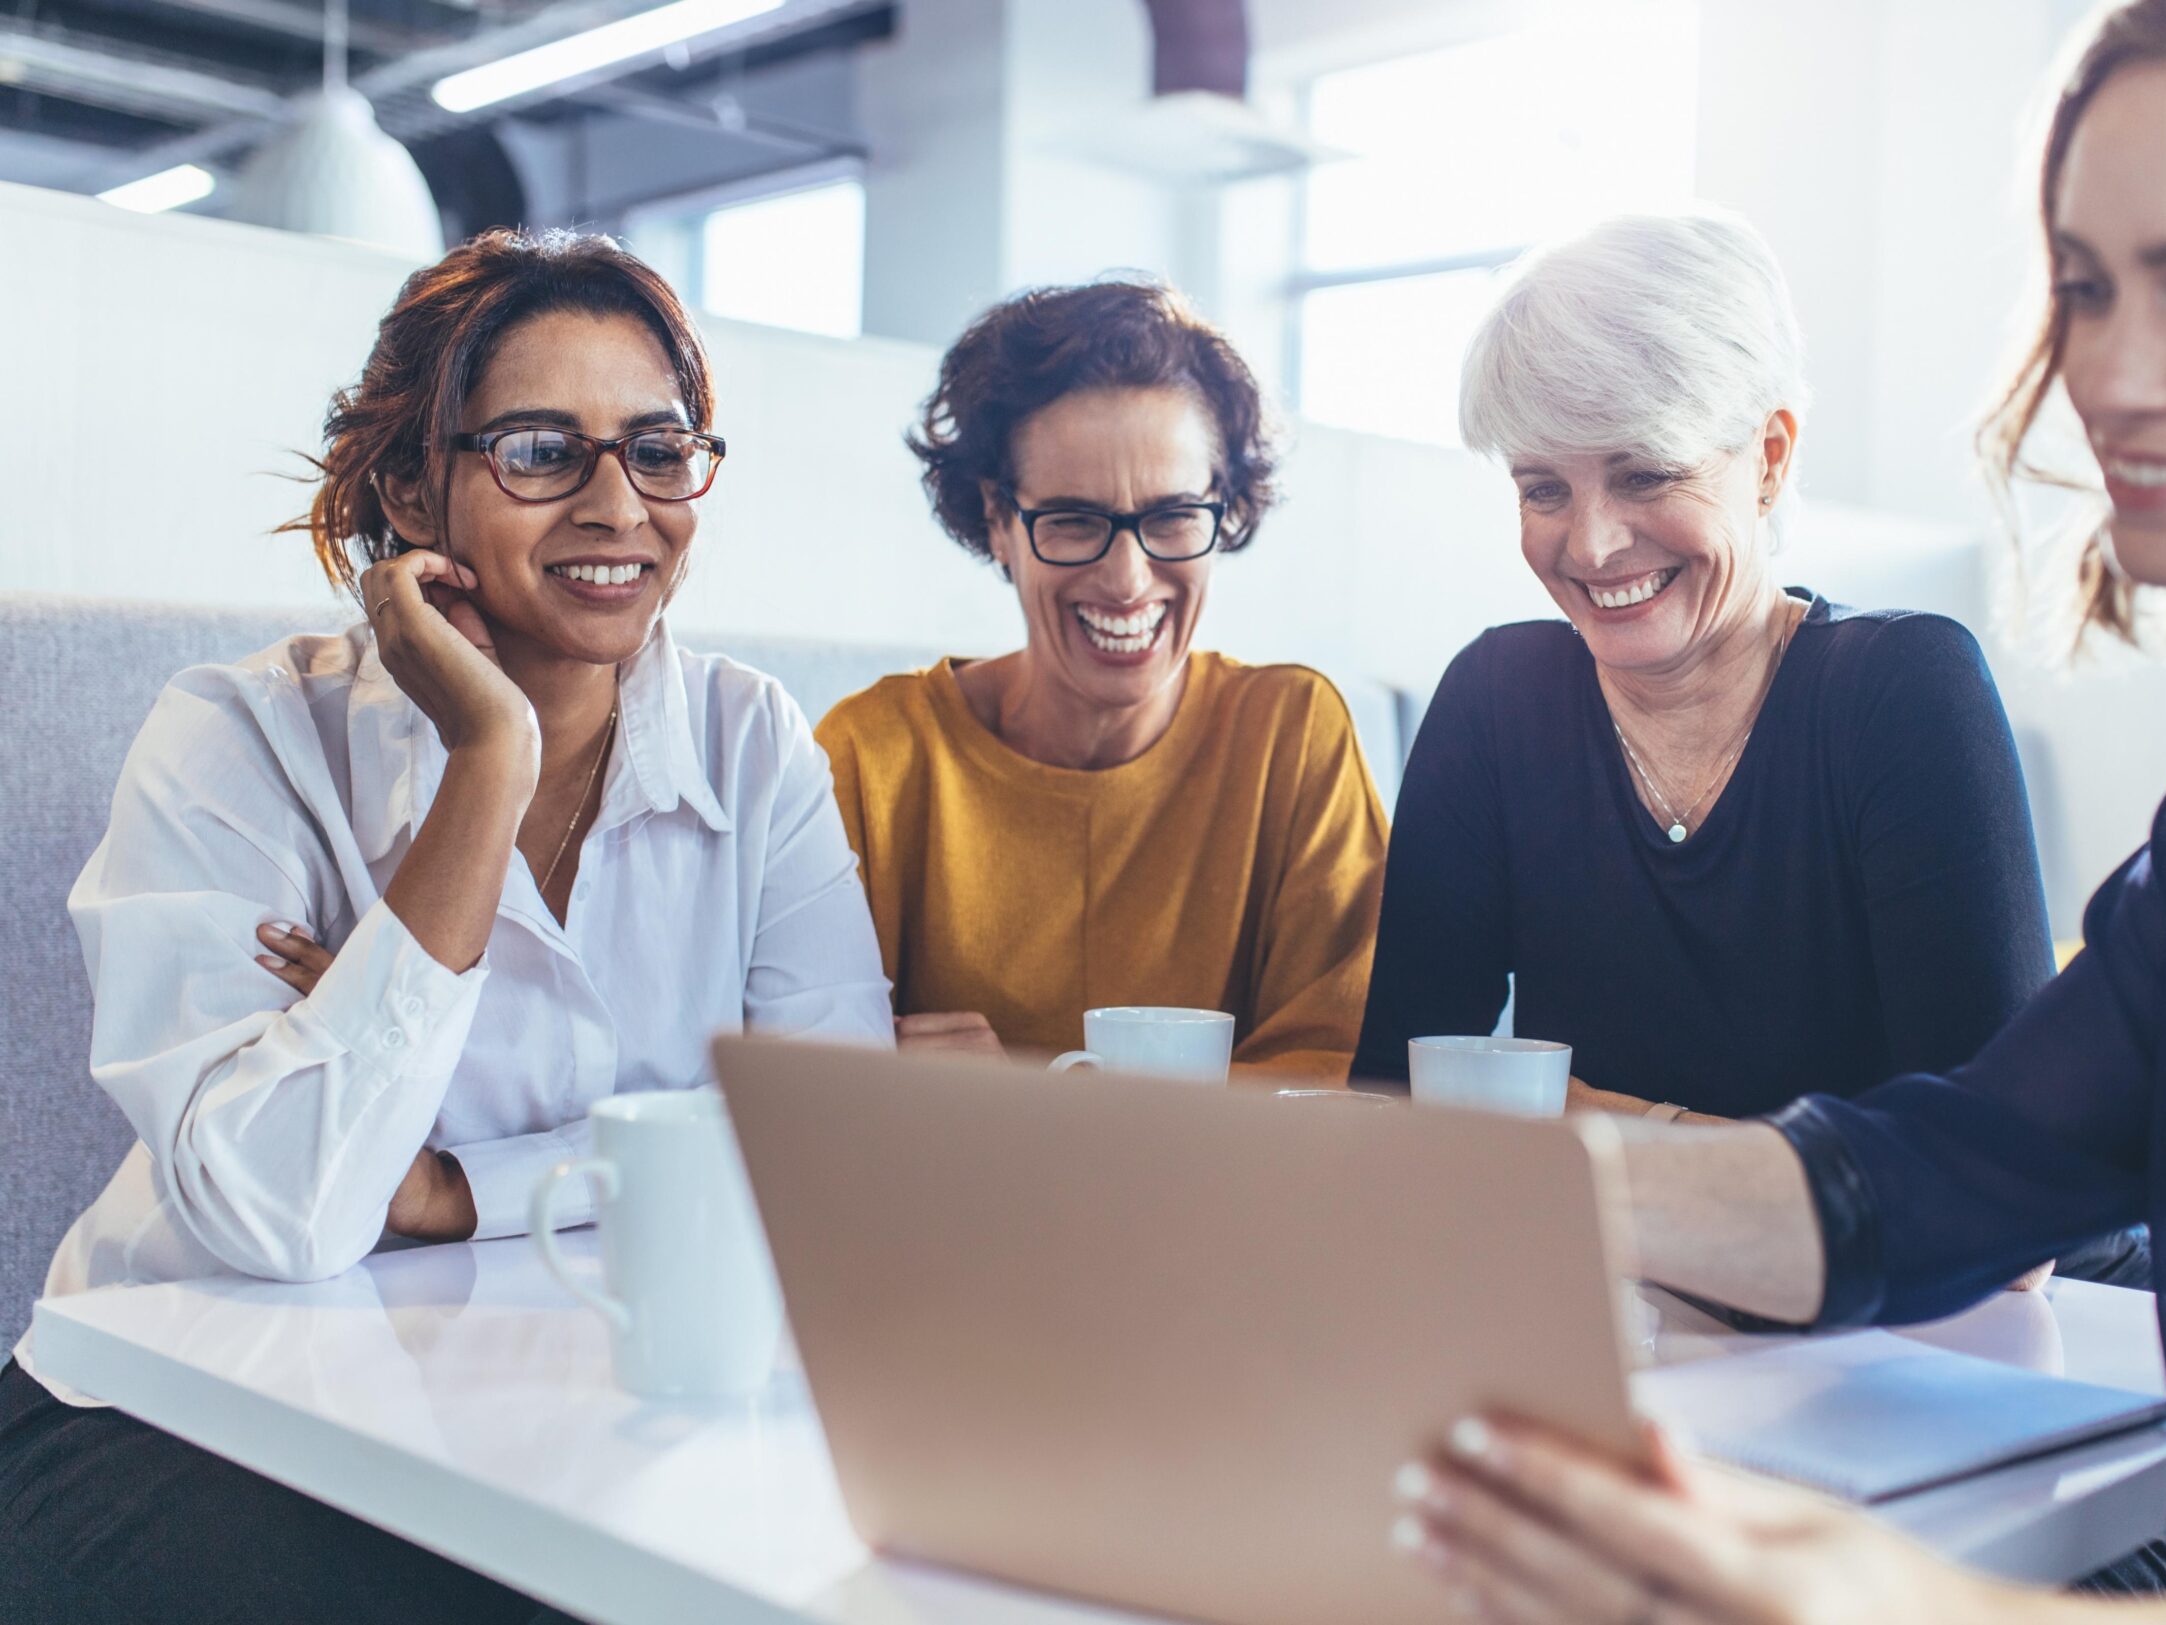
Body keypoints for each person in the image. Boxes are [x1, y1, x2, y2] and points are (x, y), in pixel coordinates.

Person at [1389, 0, 2166, 1619]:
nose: (2112, 376)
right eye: (2083, 290)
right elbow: (1951, 1169)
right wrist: (1456, 1199)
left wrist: (1924, 1606)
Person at [0, 229, 893, 1623]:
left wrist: (457, 1185)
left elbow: (834, 1148)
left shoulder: (750, 741)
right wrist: (489, 761)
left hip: (543, 1406)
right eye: (543, 449)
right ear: (415, 488)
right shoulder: (238, 740)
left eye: (658, 449)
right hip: (169, 1415)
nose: (619, 504)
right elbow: (287, 1211)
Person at [1350, 211, 2140, 1286]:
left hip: (1992, 1323)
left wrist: (1584, 1131)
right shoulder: (1496, 701)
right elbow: (1396, 1107)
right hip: (1662, 1301)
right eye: (1544, 488)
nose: (1588, 543)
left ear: (1767, 457)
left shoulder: (1902, 692)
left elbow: (1990, 1202)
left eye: (1642, 472)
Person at [816, 279, 1388, 1079]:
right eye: (1074, 519)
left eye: (1172, 516)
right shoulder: (870, 758)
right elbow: (809, 1078)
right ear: (997, 520)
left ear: (1223, 510)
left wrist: (1043, 1097)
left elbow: (1340, 1069)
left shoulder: (1291, 739)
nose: (1127, 577)